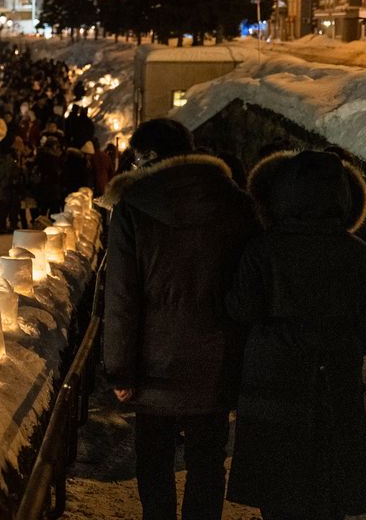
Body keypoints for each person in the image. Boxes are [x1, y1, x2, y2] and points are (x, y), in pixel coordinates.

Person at [100, 118, 260, 520]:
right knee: (207, 461)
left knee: (154, 461)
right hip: (218, 357)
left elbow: (121, 297)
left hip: (154, 362)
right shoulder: (236, 203)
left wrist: (120, 369)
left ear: (149, 156)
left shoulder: (133, 207)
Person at [226, 150, 366, 520]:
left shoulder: (264, 249)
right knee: (329, 486)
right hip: (334, 378)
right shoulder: (356, 252)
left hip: (272, 380)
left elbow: (243, 308)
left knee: (279, 490)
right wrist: (347, 346)